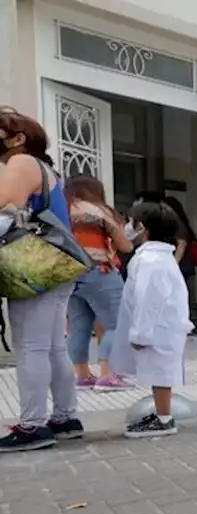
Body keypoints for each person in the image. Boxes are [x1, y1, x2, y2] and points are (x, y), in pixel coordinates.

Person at [0, 107, 83, 452]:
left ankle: (32, 425)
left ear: (18, 139)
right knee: (52, 346)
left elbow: (5, 202)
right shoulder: (47, 169)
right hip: (56, 263)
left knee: (31, 346)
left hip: (32, 264)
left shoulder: (21, 163)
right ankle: (65, 418)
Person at [111, 202, 192, 439]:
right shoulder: (155, 257)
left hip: (159, 327)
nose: (126, 227)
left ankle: (164, 419)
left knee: (161, 373)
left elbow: (149, 298)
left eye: (130, 223)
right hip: (163, 325)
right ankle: (161, 414)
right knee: (160, 372)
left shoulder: (151, 261)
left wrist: (141, 332)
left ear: (142, 228)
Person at [65, 174, 133, 392]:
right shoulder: (99, 211)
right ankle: (107, 374)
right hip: (99, 271)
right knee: (116, 324)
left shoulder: (63, 211)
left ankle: (82, 376)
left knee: (78, 327)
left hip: (68, 275)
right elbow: (125, 247)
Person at [161, 196, 197, 307]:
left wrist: (173, 265)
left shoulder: (177, 224)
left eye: (165, 209)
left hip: (181, 267)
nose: (163, 212)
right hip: (183, 267)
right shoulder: (176, 224)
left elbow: (181, 245)